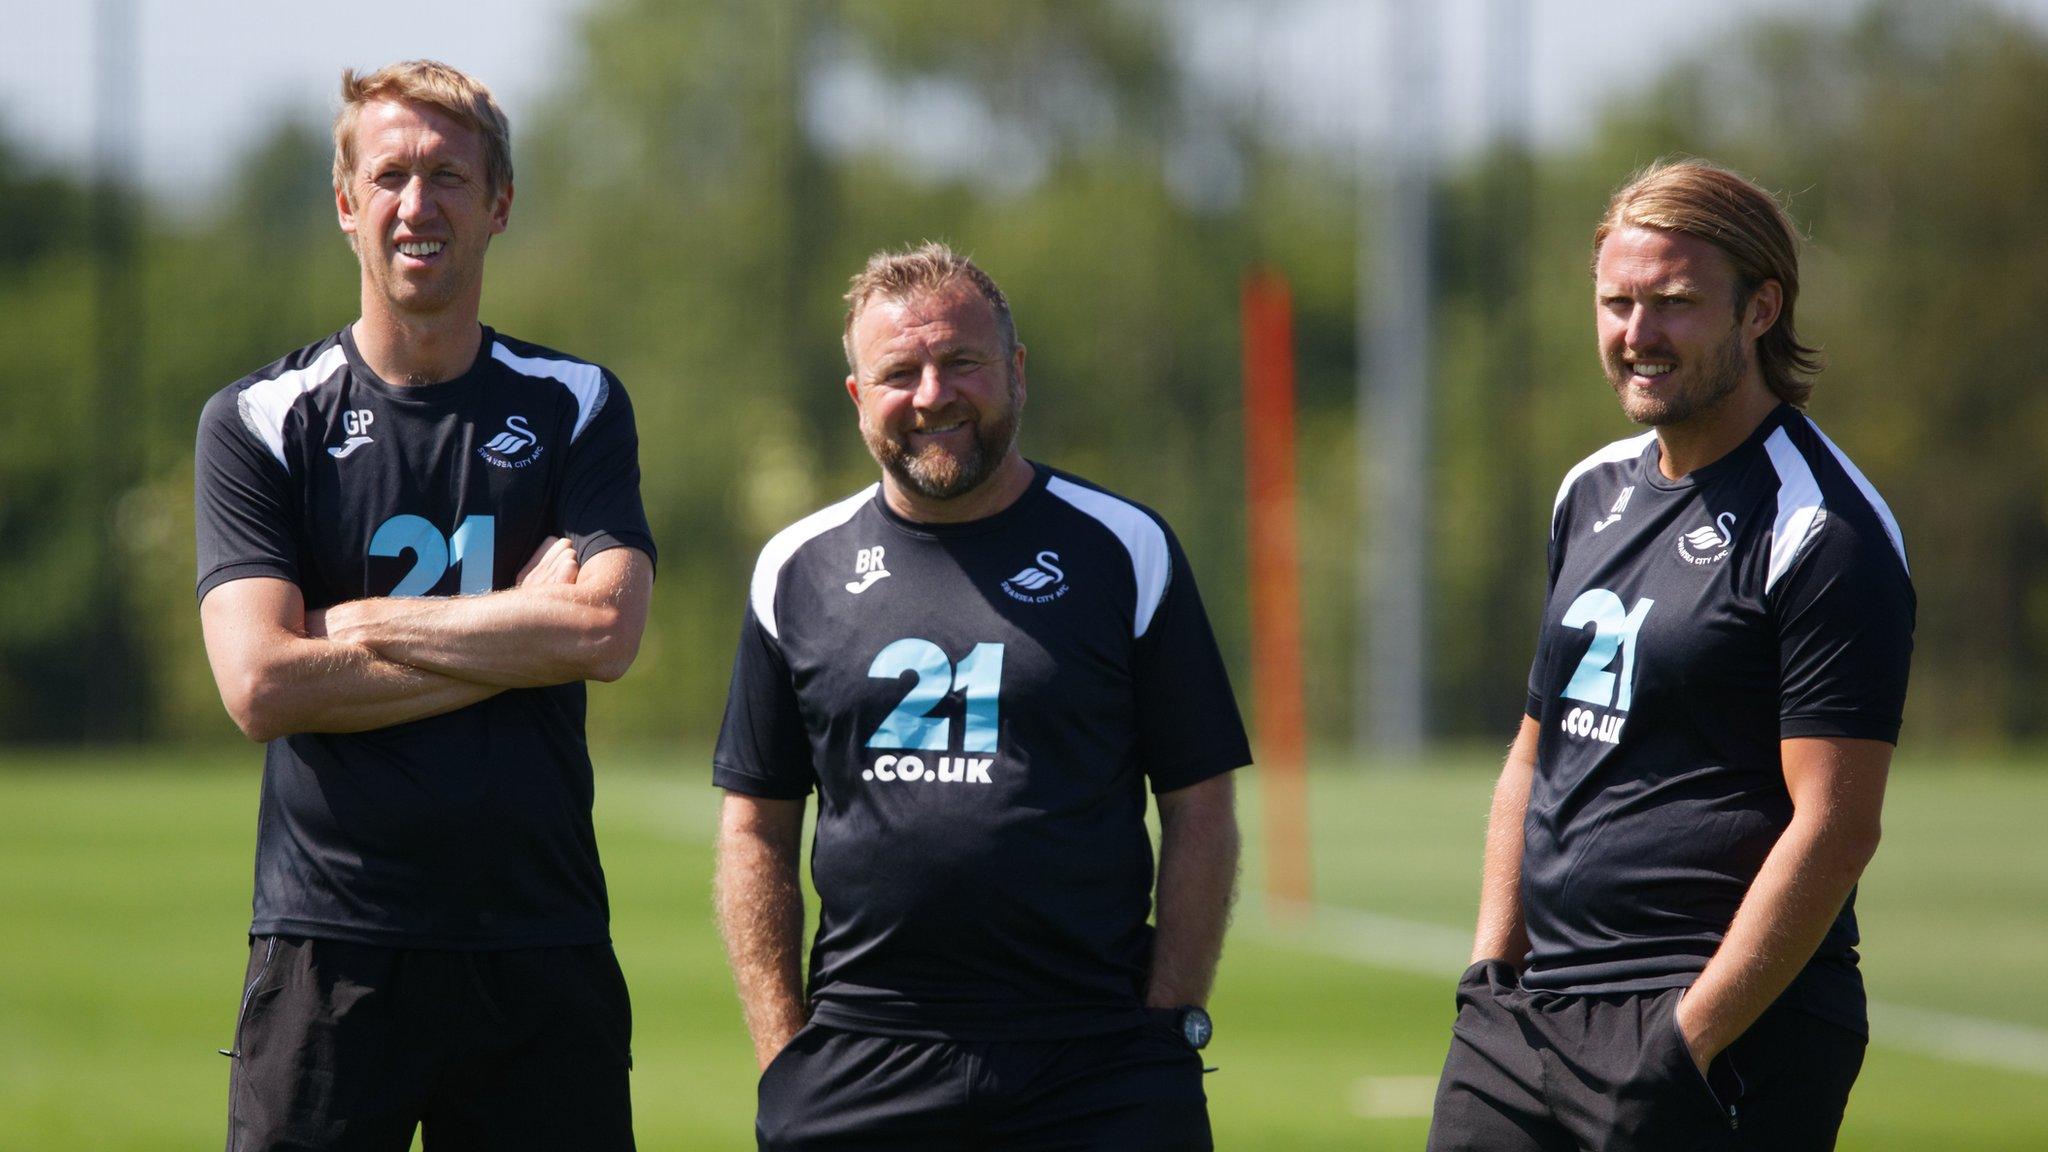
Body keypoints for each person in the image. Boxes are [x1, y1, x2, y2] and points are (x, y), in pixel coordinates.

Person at [194, 60, 654, 1151]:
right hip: (328, 951)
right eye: (391, 174)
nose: (418, 204)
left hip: (537, 947)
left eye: (449, 176)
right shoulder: (260, 420)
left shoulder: (575, 404)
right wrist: (514, 629)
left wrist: (352, 625)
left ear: (499, 204)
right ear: (346, 204)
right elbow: (260, 684)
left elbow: (603, 629)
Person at [712, 242, 1248, 1150]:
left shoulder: (1126, 549)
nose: (932, 396)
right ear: (857, 398)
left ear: (1017, 373)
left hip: (1094, 1063)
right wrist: (783, 1055)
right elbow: (754, 827)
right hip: (861, 1059)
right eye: (899, 372)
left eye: (961, 362)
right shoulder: (796, 569)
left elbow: (1201, 809)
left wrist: (1168, 1028)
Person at [1426, 159, 1914, 1151]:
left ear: (1758, 309)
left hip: (1717, 1028)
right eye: (1615, 303)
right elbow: (1537, 751)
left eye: (1673, 304)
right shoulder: (1589, 492)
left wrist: (1681, 1043)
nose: (1635, 336)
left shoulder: (1821, 529)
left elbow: (1833, 828)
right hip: (1526, 1022)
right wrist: (1489, 972)